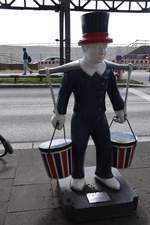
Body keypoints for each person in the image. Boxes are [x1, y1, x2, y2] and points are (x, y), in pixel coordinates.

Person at [51, 11, 126, 192]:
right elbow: (63, 94)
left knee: (105, 145)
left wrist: (120, 109)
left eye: (104, 47)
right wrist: (59, 113)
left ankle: (104, 173)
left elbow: (113, 92)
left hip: (100, 116)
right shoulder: (73, 72)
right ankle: (77, 176)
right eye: (97, 47)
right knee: (78, 146)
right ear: (85, 48)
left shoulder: (107, 71)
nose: (102, 51)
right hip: (80, 118)